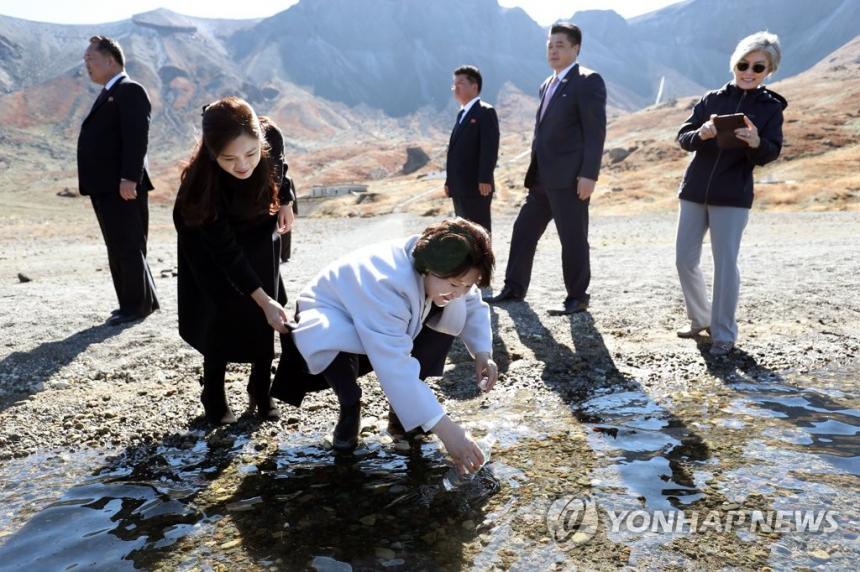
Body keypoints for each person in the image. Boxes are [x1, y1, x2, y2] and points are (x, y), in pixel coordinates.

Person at [272, 218, 498, 475]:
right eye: (454, 284)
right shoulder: (389, 283)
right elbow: (394, 366)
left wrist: (482, 353)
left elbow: (471, 303)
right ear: (427, 267)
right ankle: (350, 403)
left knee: (451, 311)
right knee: (335, 344)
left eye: (468, 284)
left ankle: (404, 414)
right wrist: (448, 431)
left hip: (379, 321)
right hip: (332, 312)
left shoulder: (452, 272)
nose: (460, 291)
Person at [174, 97, 296, 424]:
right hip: (208, 239)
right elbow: (225, 253)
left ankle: (261, 386)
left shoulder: (271, 138)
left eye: (251, 154)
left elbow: (281, 169)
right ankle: (213, 390)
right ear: (212, 154)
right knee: (223, 306)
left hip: (257, 224)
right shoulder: (202, 187)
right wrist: (262, 299)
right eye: (229, 158)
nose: (242, 165)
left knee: (265, 306)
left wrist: (285, 199)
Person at [675, 32, 786, 356]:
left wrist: (755, 143)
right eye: (743, 64)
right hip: (694, 190)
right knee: (684, 260)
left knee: (725, 265)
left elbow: (771, 151)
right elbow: (683, 137)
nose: (749, 71)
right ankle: (700, 319)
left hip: (733, 196)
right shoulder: (712, 99)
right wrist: (702, 133)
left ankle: (723, 333)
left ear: (769, 71)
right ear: (734, 63)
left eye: (758, 67)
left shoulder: (770, 108)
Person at [484, 22, 606, 316]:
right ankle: (514, 288)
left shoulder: (588, 81)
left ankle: (577, 297)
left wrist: (589, 174)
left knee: (573, 238)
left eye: (560, 45)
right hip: (541, 178)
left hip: (570, 179)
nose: (553, 50)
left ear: (576, 49)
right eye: (550, 45)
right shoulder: (546, 84)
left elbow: (595, 131)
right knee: (523, 230)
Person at [77, 35, 159, 325]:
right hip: (105, 187)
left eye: (91, 59)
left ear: (110, 60)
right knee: (119, 244)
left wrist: (129, 178)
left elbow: (137, 137)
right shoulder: (109, 92)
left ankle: (136, 307)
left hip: (121, 186)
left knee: (127, 244)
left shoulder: (129, 90)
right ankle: (135, 302)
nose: (86, 65)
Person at [444, 65, 500, 234]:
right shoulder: (461, 114)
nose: (455, 87)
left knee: (479, 232)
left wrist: (484, 178)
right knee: (464, 233)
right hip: (459, 186)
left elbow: (489, 147)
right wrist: (449, 181)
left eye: (460, 83)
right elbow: (455, 152)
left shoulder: (485, 112)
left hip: (476, 186)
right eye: (454, 84)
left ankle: (484, 261)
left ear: (474, 86)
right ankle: (470, 262)